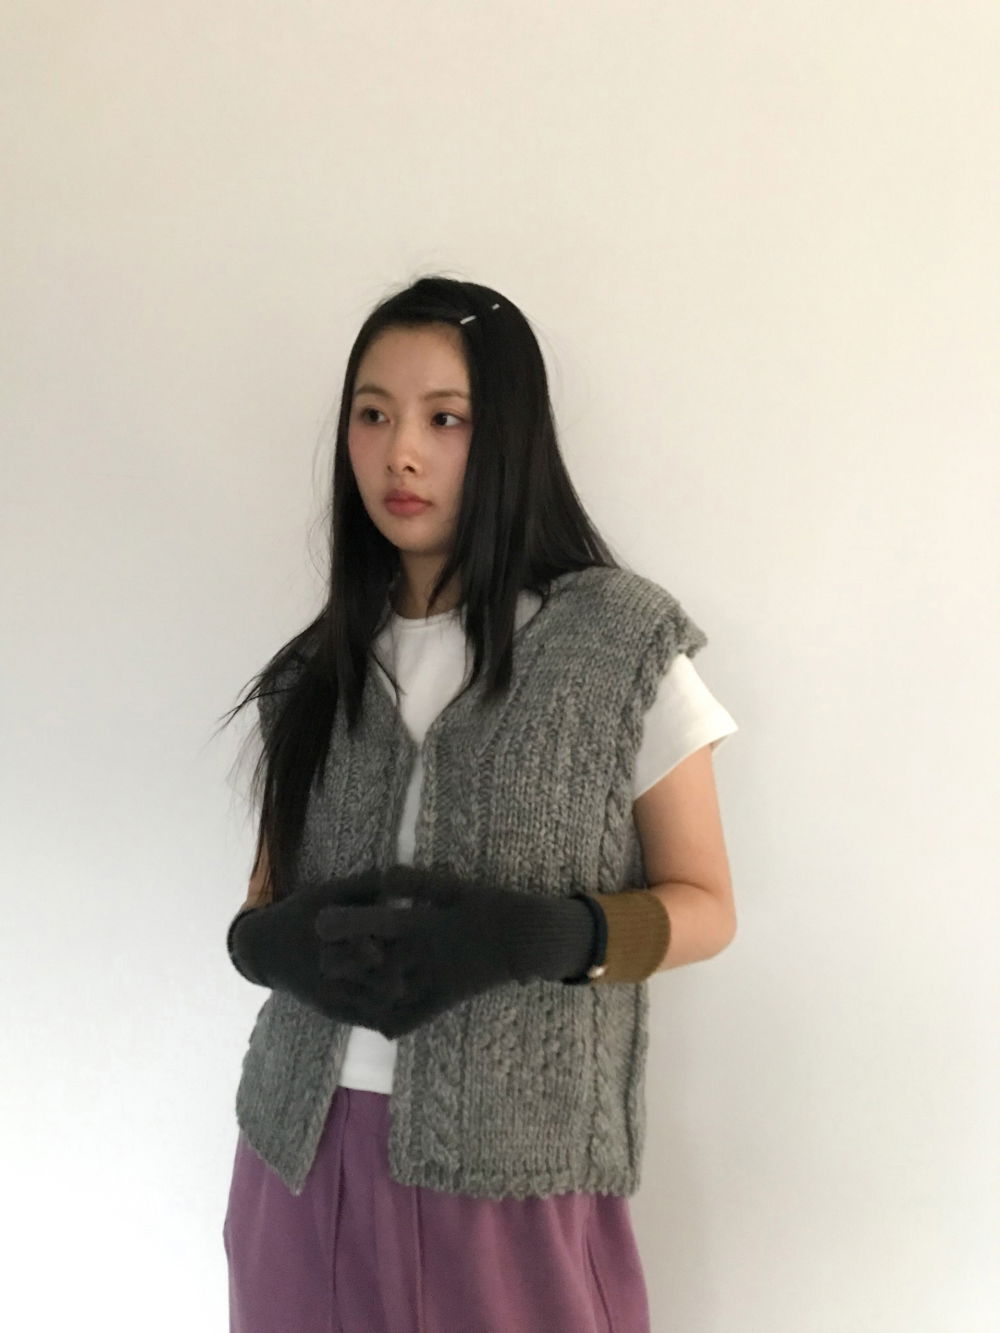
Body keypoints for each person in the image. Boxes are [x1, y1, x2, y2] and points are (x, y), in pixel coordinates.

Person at [219, 275, 739, 1332]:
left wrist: (544, 935)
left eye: (444, 419)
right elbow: (260, 906)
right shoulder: (311, 674)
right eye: (372, 415)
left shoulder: (617, 646)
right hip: (297, 1154)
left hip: (516, 1173)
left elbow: (707, 906)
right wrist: (274, 945)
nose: (400, 453)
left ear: (508, 436)